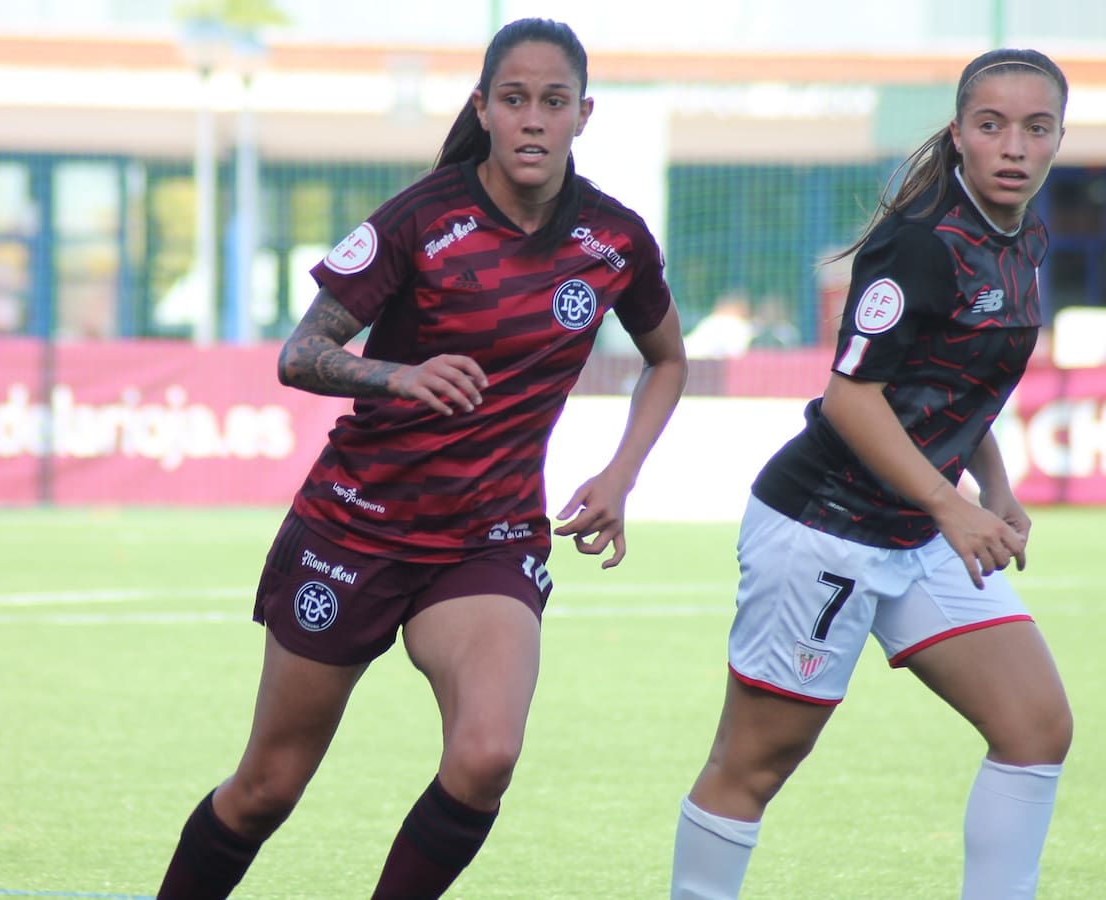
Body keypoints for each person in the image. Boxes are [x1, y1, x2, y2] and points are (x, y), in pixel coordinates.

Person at [156, 17, 687, 899]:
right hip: (356, 529)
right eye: (513, 99)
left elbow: (668, 359)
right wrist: (398, 375)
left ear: (582, 115)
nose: (532, 119)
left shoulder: (614, 241)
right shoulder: (422, 217)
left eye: (553, 101)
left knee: (487, 756)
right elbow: (299, 354)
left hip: (487, 541)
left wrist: (620, 474)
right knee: (266, 789)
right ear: (482, 108)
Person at [670, 48, 1072, 900]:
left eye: (1036, 128)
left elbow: (964, 380)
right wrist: (954, 507)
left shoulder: (1025, 235)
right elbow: (851, 399)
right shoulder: (922, 244)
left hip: (917, 528)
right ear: (958, 133)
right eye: (992, 125)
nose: (1014, 146)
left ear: (1059, 139)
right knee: (756, 762)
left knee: (1036, 727)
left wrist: (996, 488)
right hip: (827, 527)